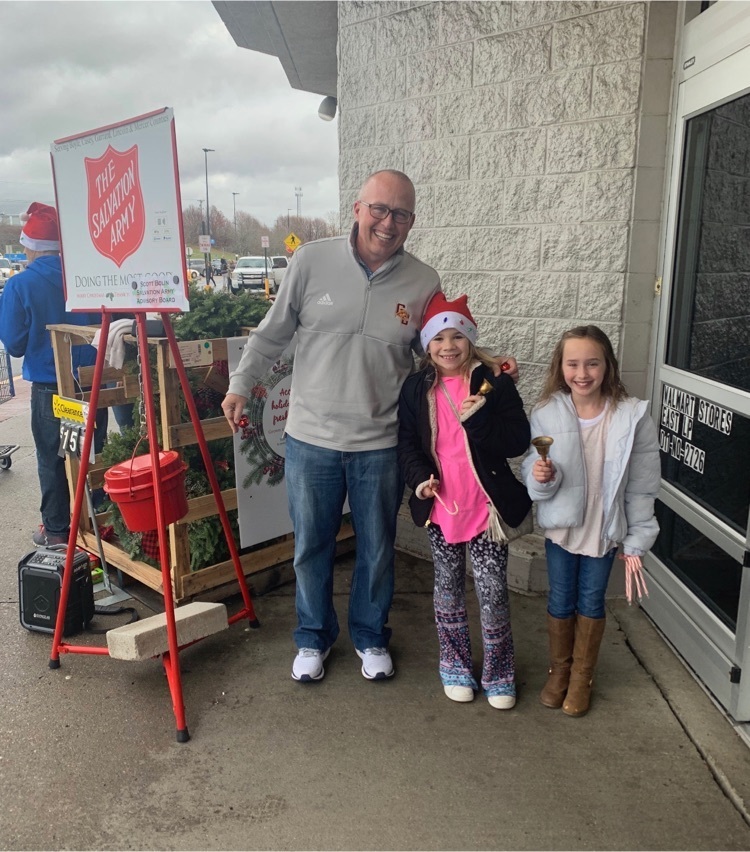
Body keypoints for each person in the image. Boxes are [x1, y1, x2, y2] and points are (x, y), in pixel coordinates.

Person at [222, 169, 517, 684]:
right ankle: (312, 637)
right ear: (358, 209)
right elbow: (272, 334)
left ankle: (370, 635)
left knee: (377, 548)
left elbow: (442, 351)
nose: (388, 222)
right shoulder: (310, 261)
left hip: (381, 443)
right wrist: (241, 384)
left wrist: (489, 370)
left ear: (412, 222)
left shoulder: (423, 281)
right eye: (379, 209)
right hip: (310, 439)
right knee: (311, 546)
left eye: (401, 214)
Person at [397, 294, 531, 709]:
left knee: (492, 592)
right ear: (427, 344)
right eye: (438, 338)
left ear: (470, 339)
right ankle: (454, 666)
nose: (448, 346)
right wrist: (420, 480)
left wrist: (481, 419)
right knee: (448, 587)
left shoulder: (494, 382)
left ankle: (499, 674)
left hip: (485, 509)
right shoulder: (416, 387)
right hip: (442, 508)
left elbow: (517, 440)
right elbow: (407, 444)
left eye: (457, 336)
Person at [521, 325, 660, 717]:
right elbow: (534, 468)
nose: (582, 373)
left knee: (591, 600)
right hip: (563, 528)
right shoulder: (546, 412)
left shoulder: (632, 417)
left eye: (592, 363)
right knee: (560, 598)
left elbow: (642, 486)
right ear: (560, 366)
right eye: (573, 364)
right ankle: (559, 671)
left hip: (603, 528)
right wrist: (541, 477)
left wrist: (637, 539)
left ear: (607, 365)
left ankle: (582, 676)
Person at [0, 202, 107, 546]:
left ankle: (58, 529)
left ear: (30, 247)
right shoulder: (88, 278)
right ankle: (98, 523)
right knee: (90, 455)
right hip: (92, 383)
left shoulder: (21, 285)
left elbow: (14, 344)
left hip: (51, 388)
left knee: (53, 458)